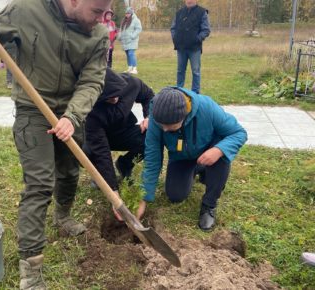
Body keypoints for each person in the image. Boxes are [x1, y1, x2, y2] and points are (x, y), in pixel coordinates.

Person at [0, 0, 112, 288]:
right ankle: (30, 270)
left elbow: (93, 81)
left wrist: (72, 116)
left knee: (69, 173)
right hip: (33, 109)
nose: (100, 19)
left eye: (105, 12)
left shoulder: (98, 35)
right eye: (96, 11)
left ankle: (63, 215)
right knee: (40, 184)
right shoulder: (27, 9)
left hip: (71, 110)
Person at [141, 87, 247, 231]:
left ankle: (209, 205)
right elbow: (153, 157)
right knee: (175, 195)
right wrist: (144, 198)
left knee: (222, 152)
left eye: (170, 126)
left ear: (184, 116)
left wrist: (219, 150)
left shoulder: (207, 108)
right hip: (181, 157)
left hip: (209, 151)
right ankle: (199, 167)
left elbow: (238, 133)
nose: (164, 130)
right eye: (162, 126)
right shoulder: (156, 115)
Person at [83, 68, 153, 220]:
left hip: (124, 131)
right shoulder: (91, 111)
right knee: (87, 152)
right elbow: (101, 152)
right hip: (99, 136)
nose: (114, 99)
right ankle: (101, 176)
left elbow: (148, 96)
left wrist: (149, 116)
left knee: (149, 138)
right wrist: (113, 192)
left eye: (116, 95)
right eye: (108, 98)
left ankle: (125, 164)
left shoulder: (131, 83)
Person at [170, 0, 210, 94]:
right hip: (181, 48)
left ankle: (195, 93)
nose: (189, 1)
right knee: (180, 71)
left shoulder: (202, 12)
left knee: (195, 71)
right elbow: (173, 28)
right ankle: (179, 91)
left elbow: (206, 30)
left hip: (194, 48)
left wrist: (197, 39)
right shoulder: (179, 13)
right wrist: (175, 39)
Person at [119, 7, 142, 74]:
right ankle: (130, 68)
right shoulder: (124, 21)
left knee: (131, 53)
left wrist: (133, 36)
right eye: (126, 13)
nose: (126, 14)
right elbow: (121, 29)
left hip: (132, 40)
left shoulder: (136, 20)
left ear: (131, 13)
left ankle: (135, 69)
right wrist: (120, 36)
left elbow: (139, 29)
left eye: (128, 13)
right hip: (125, 41)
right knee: (127, 54)